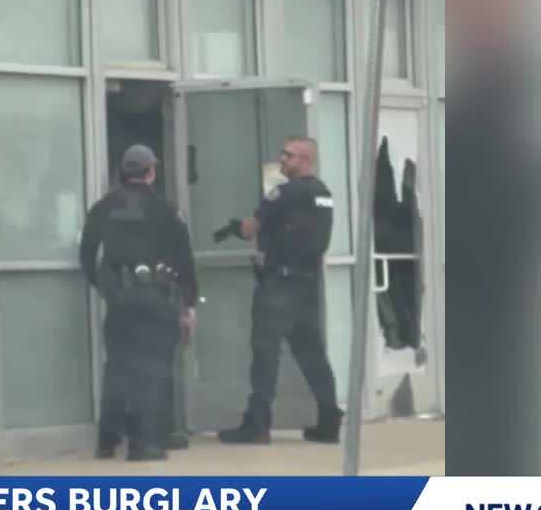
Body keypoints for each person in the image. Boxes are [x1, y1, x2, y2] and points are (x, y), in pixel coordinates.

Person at [218, 136, 343, 444]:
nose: (282, 160)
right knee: (312, 355)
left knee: (265, 355)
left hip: (279, 285)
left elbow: (250, 228)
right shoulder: (323, 193)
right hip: (307, 285)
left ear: (305, 160)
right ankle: (329, 419)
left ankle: (257, 424)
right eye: (282, 154)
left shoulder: (284, 192)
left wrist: (233, 227)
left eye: (288, 155)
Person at [80, 144, 198, 461]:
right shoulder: (165, 209)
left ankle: (108, 439)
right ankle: (145, 443)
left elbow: (87, 254)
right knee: (154, 367)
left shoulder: (103, 207)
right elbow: (184, 258)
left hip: (120, 299)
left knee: (118, 366)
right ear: (151, 172)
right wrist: (189, 304)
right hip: (155, 297)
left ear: (122, 172)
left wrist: (105, 287)